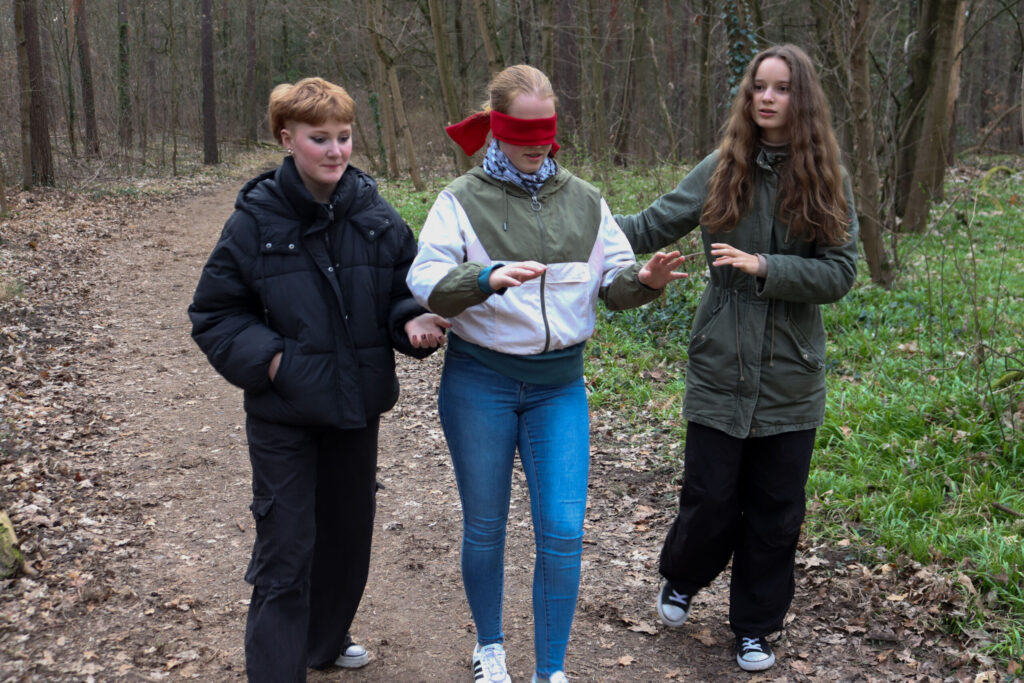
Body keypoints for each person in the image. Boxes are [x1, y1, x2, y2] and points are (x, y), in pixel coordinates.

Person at [407, 65, 685, 683]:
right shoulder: (461, 199)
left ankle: (551, 671)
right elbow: (424, 281)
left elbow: (614, 283)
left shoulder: (586, 201)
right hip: (480, 380)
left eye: (545, 129)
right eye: (522, 129)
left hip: (559, 387)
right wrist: (482, 279)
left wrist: (645, 283)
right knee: (485, 524)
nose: (536, 142)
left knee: (561, 529)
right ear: (498, 130)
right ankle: (491, 649)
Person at [188, 77, 449, 683]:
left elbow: (402, 292)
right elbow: (215, 314)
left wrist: (412, 321)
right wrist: (276, 363)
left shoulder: (374, 214)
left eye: (343, 137)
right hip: (284, 415)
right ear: (288, 139)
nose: (335, 151)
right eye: (319, 139)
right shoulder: (254, 222)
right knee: (286, 552)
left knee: (346, 542)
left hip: (355, 411)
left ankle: (324, 643)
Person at [613, 44, 859, 673]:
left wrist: (766, 267)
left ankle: (754, 627)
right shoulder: (722, 167)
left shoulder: (826, 175)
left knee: (776, 509)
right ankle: (683, 577)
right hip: (721, 358)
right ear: (747, 97)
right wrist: (567, 217)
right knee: (710, 496)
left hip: (791, 370)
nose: (767, 98)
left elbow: (839, 271)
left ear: (799, 98)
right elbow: (648, 224)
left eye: (780, 88)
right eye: (758, 87)